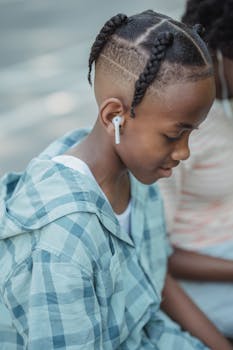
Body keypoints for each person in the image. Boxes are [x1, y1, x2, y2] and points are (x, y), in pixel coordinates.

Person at [0, 9, 230, 350]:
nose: (184, 153)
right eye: (173, 136)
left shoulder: (139, 177)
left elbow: (152, 288)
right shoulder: (62, 242)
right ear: (114, 117)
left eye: (190, 135)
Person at [158, 0, 233, 339]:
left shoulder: (227, 104)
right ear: (218, 50)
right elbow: (158, 257)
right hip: (206, 276)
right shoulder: (181, 123)